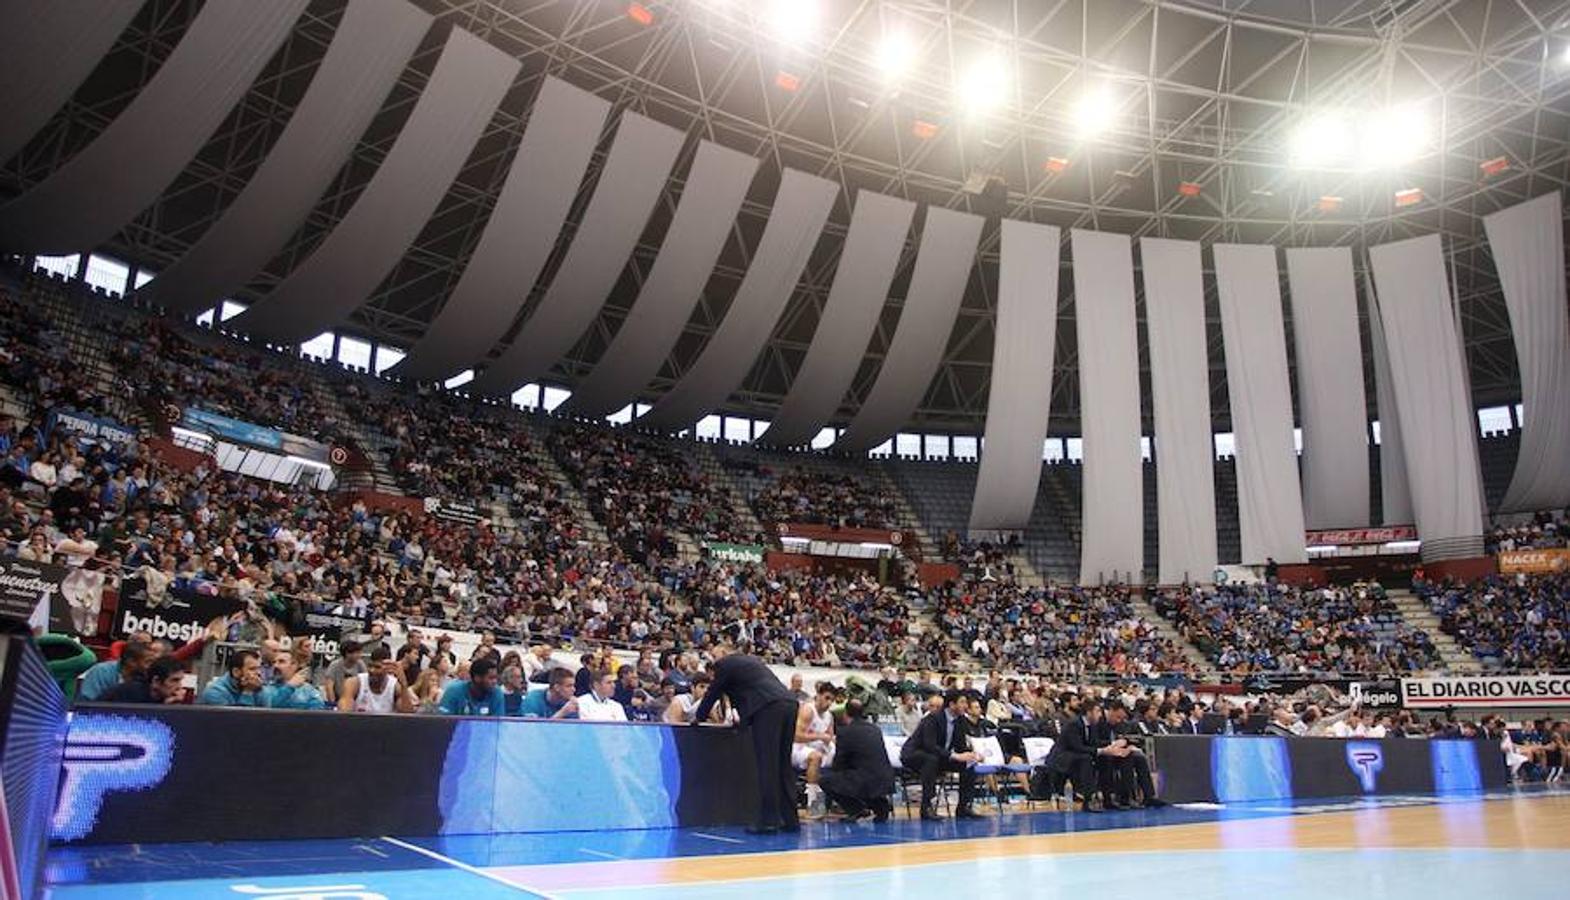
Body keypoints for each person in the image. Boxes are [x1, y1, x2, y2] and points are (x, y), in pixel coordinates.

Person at [691, 643, 799, 834]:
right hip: (789, 704)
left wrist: (698, 717)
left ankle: (768, 821)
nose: (712, 660)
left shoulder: (725, 664)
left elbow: (713, 692)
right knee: (783, 764)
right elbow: (741, 696)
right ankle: (790, 820)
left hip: (768, 708)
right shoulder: (750, 662)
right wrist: (742, 724)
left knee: (768, 764)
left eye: (714, 655)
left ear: (724, 652)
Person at [900, 690, 980, 820]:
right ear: (952, 704)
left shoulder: (960, 720)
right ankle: (926, 807)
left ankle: (964, 806)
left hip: (939, 756)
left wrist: (972, 754)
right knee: (931, 760)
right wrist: (954, 756)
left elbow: (960, 747)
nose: (966, 706)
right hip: (914, 755)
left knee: (969, 764)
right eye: (962, 702)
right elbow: (929, 745)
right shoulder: (933, 718)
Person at [818, 699, 895, 822]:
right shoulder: (875, 729)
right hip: (885, 778)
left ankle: (857, 809)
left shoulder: (845, 732)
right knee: (860, 775)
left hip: (865, 780)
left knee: (826, 780)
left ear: (845, 713)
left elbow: (840, 761)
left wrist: (833, 772)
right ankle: (879, 805)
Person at [1050, 700, 1129, 812]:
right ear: (1089, 712)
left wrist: (1112, 746)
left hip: (1079, 755)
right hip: (1063, 757)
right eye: (1097, 711)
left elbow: (1094, 743)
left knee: (1106, 759)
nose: (1100, 715)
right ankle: (1088, 800)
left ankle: (1108, 798)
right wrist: (1102, 750)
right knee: (1086, 759)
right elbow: (1077, 747)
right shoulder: (1074, 724)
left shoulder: (1092, 725)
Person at [794, 683, 837, 818]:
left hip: (817, 747)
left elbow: (830, 737)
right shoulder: (807, 710)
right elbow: (796, 736)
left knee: (843, 757)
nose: (829, 703)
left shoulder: (829, 716)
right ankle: (812, 805)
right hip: (798, 748)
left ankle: (840, 802)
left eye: (831, 700)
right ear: (818, 695)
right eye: (827, 698)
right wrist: (820, 736)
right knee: (816, 757)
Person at [338, 645, 414, 714]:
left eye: (377, 667)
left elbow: (407, 715)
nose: (372, 670)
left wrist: (404, 684)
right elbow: (344, 714)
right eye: (370, 666)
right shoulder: (354, 683)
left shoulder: (395, 687)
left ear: (388, 668)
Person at [79, 641, 154, 701]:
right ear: (131, 662)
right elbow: (87, 703)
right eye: (148, 662)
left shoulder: (147, 677)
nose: (152, 665)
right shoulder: (101, 671)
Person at [99, 656, 186, 704]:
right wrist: (164, 709)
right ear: (156, 681)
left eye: (180, 680)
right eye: (174, 680)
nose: (179, 686)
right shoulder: (131, 692)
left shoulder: (163, 698)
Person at [264, 649, 329, 710]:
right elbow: (270, 705)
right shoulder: (267, 688)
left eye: (281, 662)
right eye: (274, 662)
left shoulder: (308, 690)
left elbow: (318, 710)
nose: (275, 666)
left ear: (294, 665)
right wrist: (289, 686)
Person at [438, 657, 505, 716]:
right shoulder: (454, 691)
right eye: (491, 678)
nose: (495, 682)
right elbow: (444, 720)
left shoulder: (497, 692)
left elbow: (497, 724)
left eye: (496, 678)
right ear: (477, 678)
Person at [198, 650, 267, 707]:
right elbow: (236, 721)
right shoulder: (214, 692)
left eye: (259, 668)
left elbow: (265, 717)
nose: (259, 673)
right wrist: (247, 692)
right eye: (252, 669)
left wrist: (259, 690)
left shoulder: (255, 687)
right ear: (236, 672)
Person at [318, 640, 366, 705]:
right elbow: (329, 686)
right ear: (346, 653)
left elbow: (365, 683)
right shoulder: (334, 665)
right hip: (338, 699)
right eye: (356, 653)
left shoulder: (361, 664)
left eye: (359, 652)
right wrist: (333, 703)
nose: (358, 655)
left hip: (356, 700)